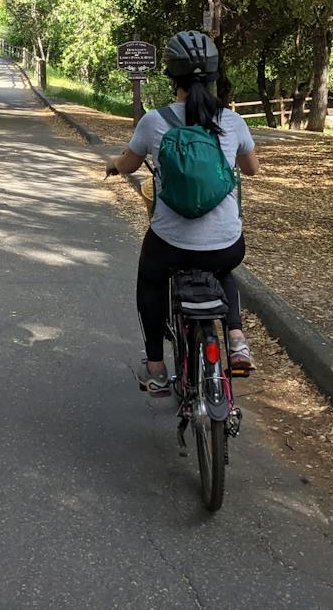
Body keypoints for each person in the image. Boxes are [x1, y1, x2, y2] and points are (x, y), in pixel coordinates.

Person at [105, 30, 260, 395]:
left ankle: (157, 367)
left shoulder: (154, 121)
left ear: (172, 78)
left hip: (170, 243)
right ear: (213, 75)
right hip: (225, 242)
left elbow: (128, 165)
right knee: (223, 268)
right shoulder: (232, 121)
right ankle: (236, 339)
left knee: (151, 279)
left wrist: (113, 164)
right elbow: (251, 168)